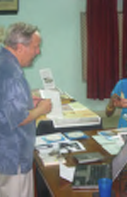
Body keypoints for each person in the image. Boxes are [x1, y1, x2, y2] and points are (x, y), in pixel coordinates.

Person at [0, 22, 52, 197]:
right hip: (13, 156)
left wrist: (28, 99)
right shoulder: (12, 74)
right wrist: (42, 108)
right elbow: (19, 118)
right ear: (21, 47)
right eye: (36, 47)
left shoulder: (4, 61)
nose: (38, 52)